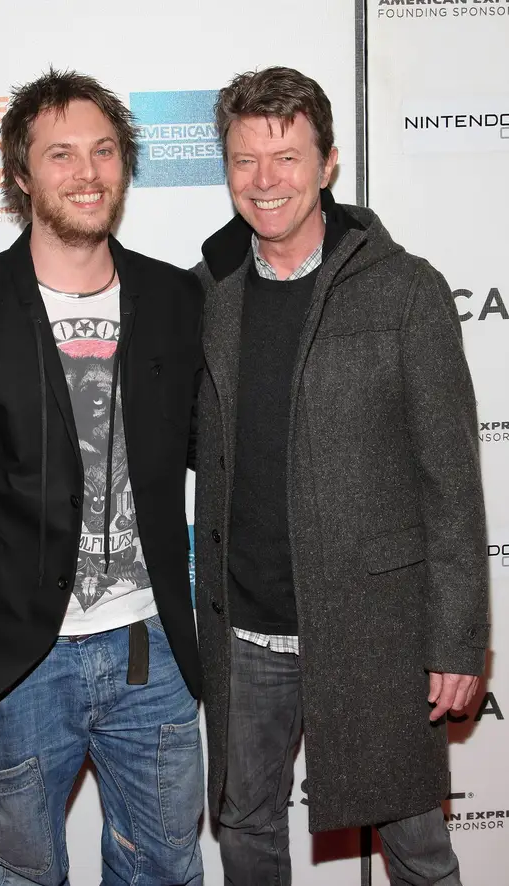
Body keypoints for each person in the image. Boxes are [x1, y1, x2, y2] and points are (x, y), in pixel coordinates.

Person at [0, 68, 204, 886]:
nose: (87, 172)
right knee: (19, 876)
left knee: (165, 872)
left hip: (153, 653)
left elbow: (222, 444)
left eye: (104, 151)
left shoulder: (177, 298)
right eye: (60, 154)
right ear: (23, 175)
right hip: (17, 663)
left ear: (126, 165)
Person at [191, 66, 488, 886]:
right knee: (246, 826)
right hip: (246, 628)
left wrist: (457, 637)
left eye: (286, 158)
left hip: (376, 629)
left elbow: (452, 482)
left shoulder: (404, 291)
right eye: (245, 160)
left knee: (419, 848)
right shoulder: (208, 296)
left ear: (327, 164)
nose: (264, 181)